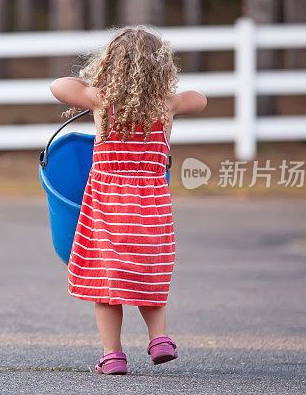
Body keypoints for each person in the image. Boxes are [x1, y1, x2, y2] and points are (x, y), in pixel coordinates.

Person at [49, 26, 207, 375]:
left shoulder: (102, 101)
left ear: (111, 65)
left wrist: (96, 84)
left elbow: (58, 86)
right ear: (162, 69)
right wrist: (168, 94)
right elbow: (201, 99)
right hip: (151, 205)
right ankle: (160, 337)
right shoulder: (166, 105)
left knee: (105, 282)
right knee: (148, 275)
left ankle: (113, 354)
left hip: (108, 204)